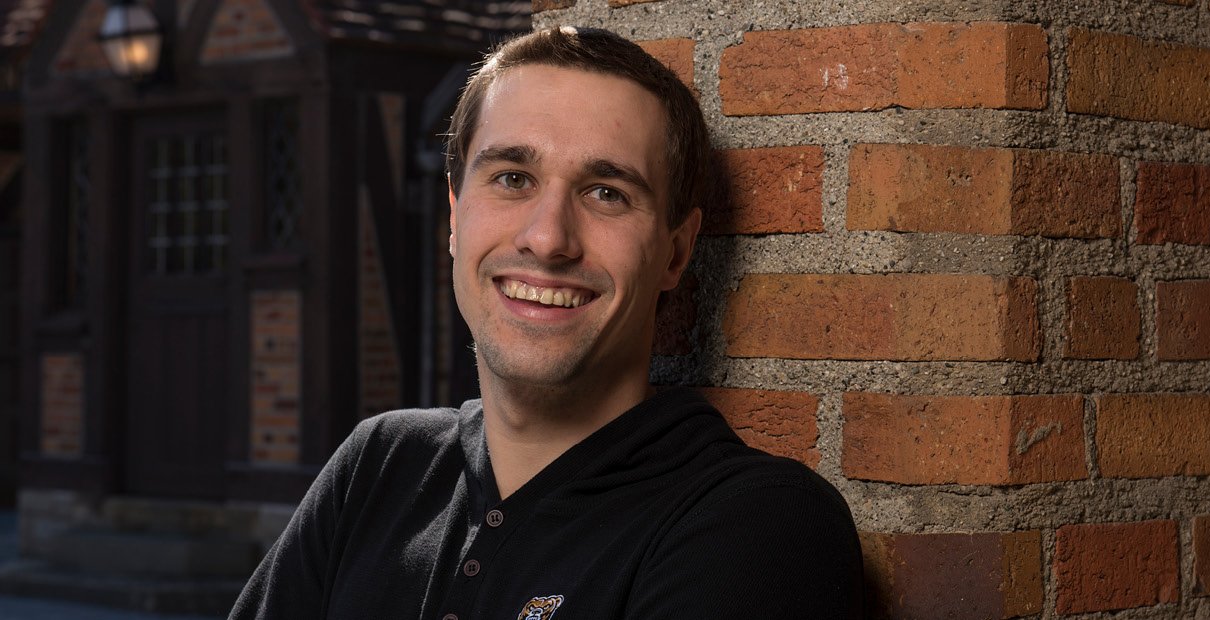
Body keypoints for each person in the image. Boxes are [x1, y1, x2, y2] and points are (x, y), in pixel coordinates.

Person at [229, 26, 863, 620]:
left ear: (675, 250)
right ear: (456, 216)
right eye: (512, 178)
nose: (548, 238)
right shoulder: (378, 468)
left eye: (606, 192)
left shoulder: (757, 525)